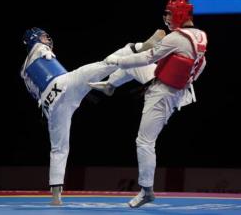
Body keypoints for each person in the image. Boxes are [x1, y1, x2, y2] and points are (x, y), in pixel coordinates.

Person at [20, 27, 164, 205]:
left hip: (52, 107)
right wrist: (42, 49)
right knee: (106, 64)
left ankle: (56, 196)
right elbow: (39, 50)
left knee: (59, 148)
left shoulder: (25, 71)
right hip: (64, 84)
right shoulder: (37, 50)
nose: (46, 39)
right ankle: (138, 48)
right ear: (34, 39)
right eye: (42, 37)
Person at [90, 0, 208, 208]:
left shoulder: (177, 38)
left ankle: (147, 191)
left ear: (179, 14)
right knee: (131, 59)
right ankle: (110, 85)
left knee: (144, 142)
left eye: (169, 13)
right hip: (168, 84)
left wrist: (116, 60)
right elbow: (200, 64)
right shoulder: (201, 35)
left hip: (164, 94)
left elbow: (147, 58)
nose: (166, 18)